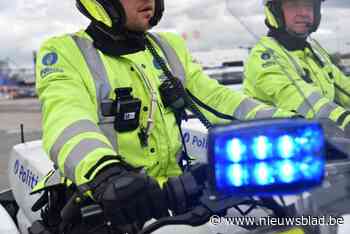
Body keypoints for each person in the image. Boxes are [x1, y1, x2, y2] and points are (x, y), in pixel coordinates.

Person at [33, 0, 294, 232]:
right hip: (110, 203)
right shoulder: (65, 52)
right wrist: (105, 172)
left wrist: (290, 124)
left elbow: (218, 100)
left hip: (174, 194)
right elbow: (66, 117)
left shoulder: (168, 47)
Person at [243, 0, 350, 135]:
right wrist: (344, 120)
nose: (304, 13)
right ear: (276, 12)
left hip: (321, 138)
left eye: (309, 6)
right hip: (278, 144)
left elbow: (344, 87)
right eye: (293, 5)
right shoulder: (263, 55)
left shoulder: (313, 52)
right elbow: (301, 99)